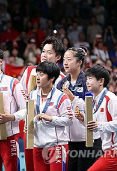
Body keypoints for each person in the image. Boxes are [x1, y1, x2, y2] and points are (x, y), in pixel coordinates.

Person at [20, 36, 66, 171]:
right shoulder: (29, 72)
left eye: (49, 52)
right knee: (30, 166)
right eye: (43, 51)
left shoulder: (62, 79)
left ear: (58, 57)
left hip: (52, 131)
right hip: (30, 127)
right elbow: (21, 97)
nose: (44, 55)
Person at [57, 47, 103, 171]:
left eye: (69, 59)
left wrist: (73, 98)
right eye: (64, 59)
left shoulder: (87, 81)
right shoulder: (61, 84)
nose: (65, 62)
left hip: (88, 139)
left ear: (79, 62)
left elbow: (92, 108)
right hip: (70, 140)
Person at [86, 65, 117, 171]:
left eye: (90, 78)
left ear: (101, 81)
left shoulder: (111, 99)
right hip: (111, 149)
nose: (87, 82)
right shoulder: (94, 102)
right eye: (87, 79)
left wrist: (99, 125)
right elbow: (97, 131)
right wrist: (83, 120)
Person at [28, 61, 72, 170]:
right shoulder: (33, 94)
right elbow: (30, 115)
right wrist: (29, 122)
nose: (38, 77)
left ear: (52, 78)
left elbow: (69, 120)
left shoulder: (61, 97)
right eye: (37, 74)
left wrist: (51, 118)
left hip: (56, 145)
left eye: (42, 74)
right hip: (37, 145)